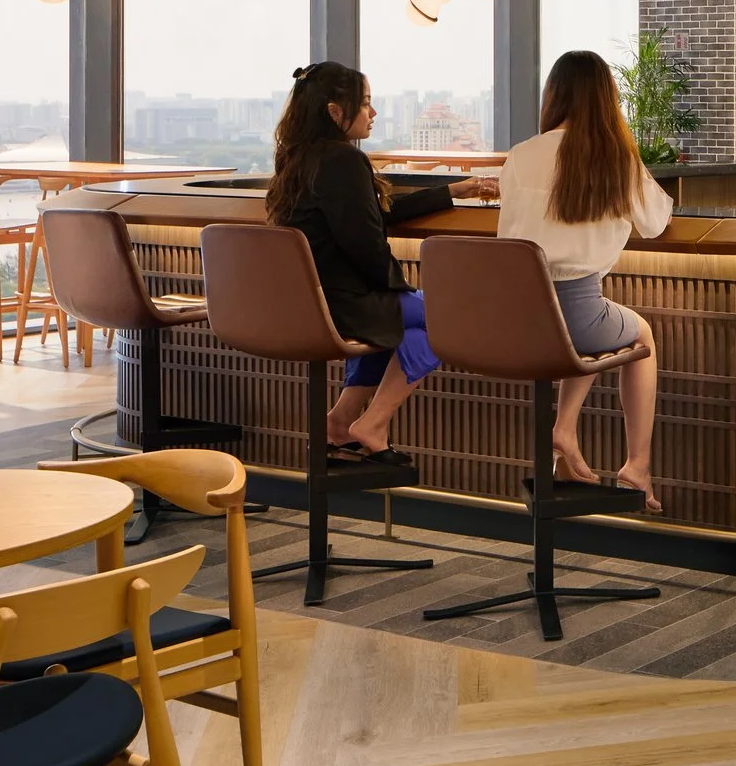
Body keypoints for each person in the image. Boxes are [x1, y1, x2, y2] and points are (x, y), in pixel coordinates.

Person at [264, 62, 496, 464]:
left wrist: (450, 192)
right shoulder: (343, 160)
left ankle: (341, 422)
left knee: (409, 324)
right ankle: (371, 424)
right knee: (445, 320)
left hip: (312, 303)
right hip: (344, 304)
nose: (373, 113)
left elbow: (368, 216)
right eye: (365, 103)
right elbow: (366, 244)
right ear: (335, 111)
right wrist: (401, 288)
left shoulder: (298, 158)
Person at [496, 50, 674, 511]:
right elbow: (656, 222)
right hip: (575, 315)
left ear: (553, 95)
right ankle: (637, 465)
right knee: (640, 335)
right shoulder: (616, 157)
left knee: (588, 326)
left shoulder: (521, 154)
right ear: (606, 99)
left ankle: (564, 428)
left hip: (515, 318)